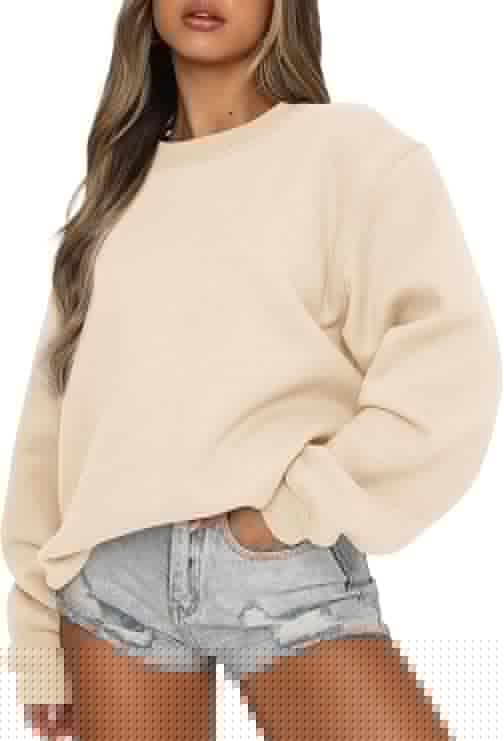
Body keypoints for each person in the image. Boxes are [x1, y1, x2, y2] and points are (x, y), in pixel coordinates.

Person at [1, 1, 501, 739]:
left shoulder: (350, 155)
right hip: (111, 590)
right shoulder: (114, 194)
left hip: (278, 566)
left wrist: (292, 511)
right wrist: (38, 637)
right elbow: (52, 424)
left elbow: (447, 367)